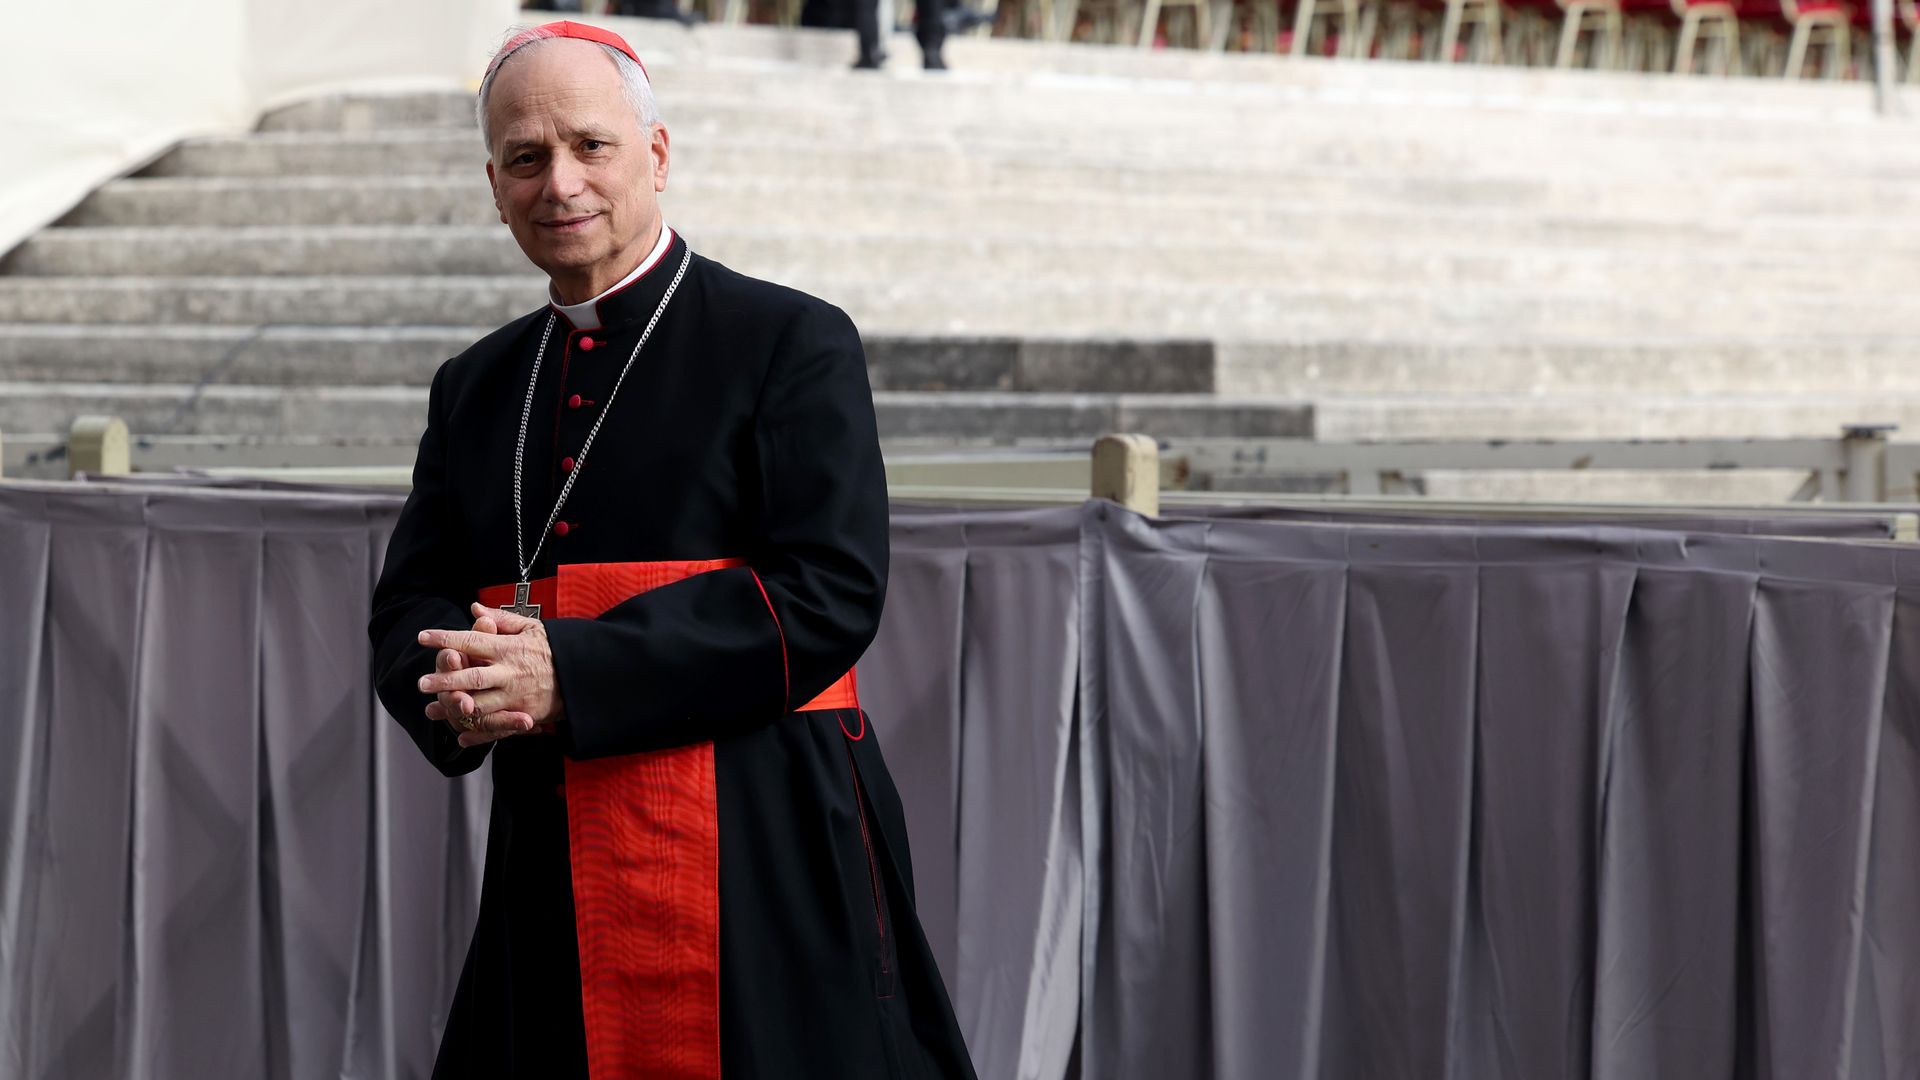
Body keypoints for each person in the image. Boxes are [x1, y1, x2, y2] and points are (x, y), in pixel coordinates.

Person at [367, 21, 977, 1079]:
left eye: (590, 146)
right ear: (493, 182)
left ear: (656, 154)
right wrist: (458, 687)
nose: (559, 182)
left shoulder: (789, 340)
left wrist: (573, 670)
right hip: (555, 847)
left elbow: (828, 591)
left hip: (763, 835)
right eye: (525, 157)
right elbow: (406, 605)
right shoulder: (476, 383)